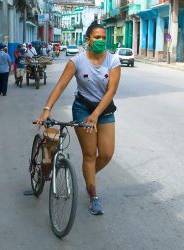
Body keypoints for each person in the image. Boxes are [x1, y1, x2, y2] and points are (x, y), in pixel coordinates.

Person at [35, 20, 121, 215]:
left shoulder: (113, 61)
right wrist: (47, 108)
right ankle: (93, 196)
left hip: (104, 110)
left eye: (104, 38)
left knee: (106, 154)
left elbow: (111, 91)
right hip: (82, 109)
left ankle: (87, 174)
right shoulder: (77, 61)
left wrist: (96, 114)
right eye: (97, 37)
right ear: (88, 39)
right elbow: (60, 85)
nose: (101, 41)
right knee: (90, 155)